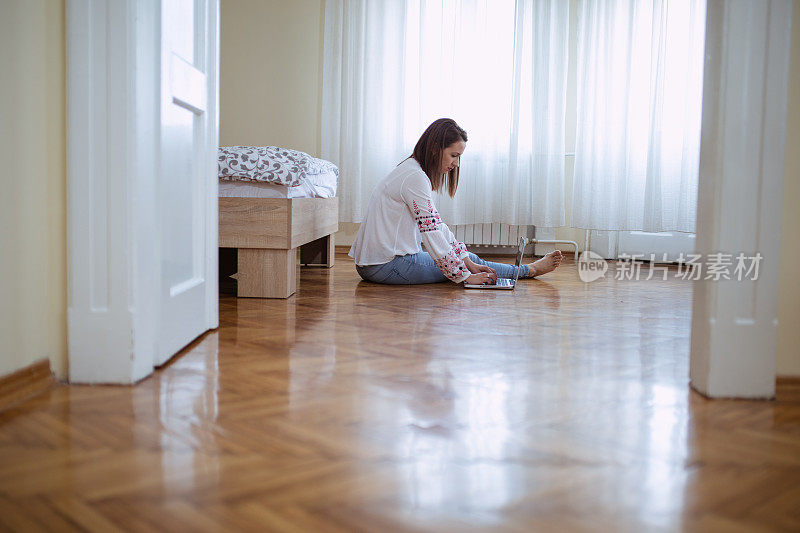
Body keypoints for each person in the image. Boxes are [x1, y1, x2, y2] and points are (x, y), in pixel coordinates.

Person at [349, 118, 563, 285]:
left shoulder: (412, 171)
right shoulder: (414, 177)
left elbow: (436, 224)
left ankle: (522, 270)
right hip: (386, 266)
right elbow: (431, 233)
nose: (457, 163)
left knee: (470, 259)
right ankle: (529, 271)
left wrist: (465, 260)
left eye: (459, 157)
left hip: (377, 263)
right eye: (453, 155)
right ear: (435, 148)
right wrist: (464, 275)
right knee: (471, 262)